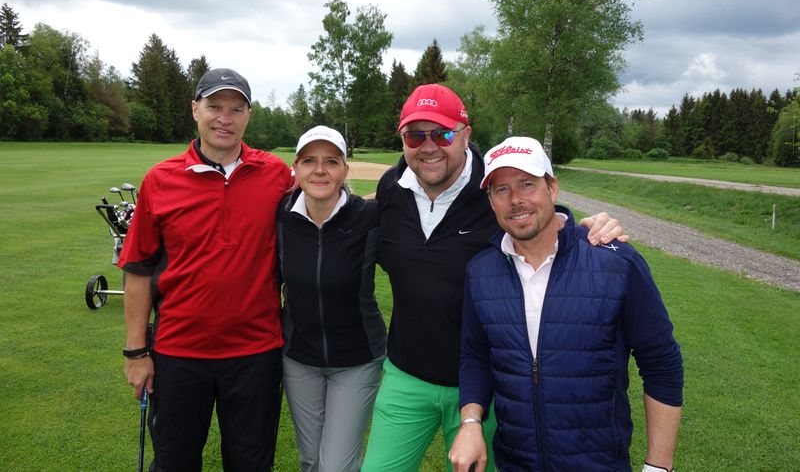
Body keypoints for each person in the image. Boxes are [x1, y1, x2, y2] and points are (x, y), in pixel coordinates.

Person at [361, 84, 628, 472]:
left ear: (466, 134)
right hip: (405, 375)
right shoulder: (393, 185)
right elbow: (361, 215)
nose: (429, 146)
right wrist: (318, 191)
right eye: (415, 135)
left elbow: (538, 217)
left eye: (443, 133)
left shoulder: (495, 187)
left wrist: (592, 227)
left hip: (484, 383)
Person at [449, 136, 684, 472]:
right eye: (501, 190)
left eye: (527, 184)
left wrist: (658, 467)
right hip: (516, 463)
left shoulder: (616, 262)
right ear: (491, 201)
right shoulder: (480, 272)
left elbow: (661, 363)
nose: (516, 200)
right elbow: (475, 355)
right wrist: (471, 421)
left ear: (553, 188)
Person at [119, 68, 293, 471]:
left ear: (248, 115)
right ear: (195, 109)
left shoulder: (276, 176)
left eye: (236, 108)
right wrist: (135, 352)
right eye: (215, 106)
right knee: (175, 462)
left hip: (256, 354)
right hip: (177, 354)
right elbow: (139, 269)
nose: (224, 118)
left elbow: (329, 196)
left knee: (251, 464)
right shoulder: (160, 180)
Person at [277, 125, 386, 472]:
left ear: (344, 170)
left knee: (336, 465)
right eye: (309, 160)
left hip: (357, 360)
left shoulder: (370, 217)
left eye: (331, 161)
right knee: (311, 461)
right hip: (299, 358)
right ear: (295, 168)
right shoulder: (280, 216)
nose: (320, 170)